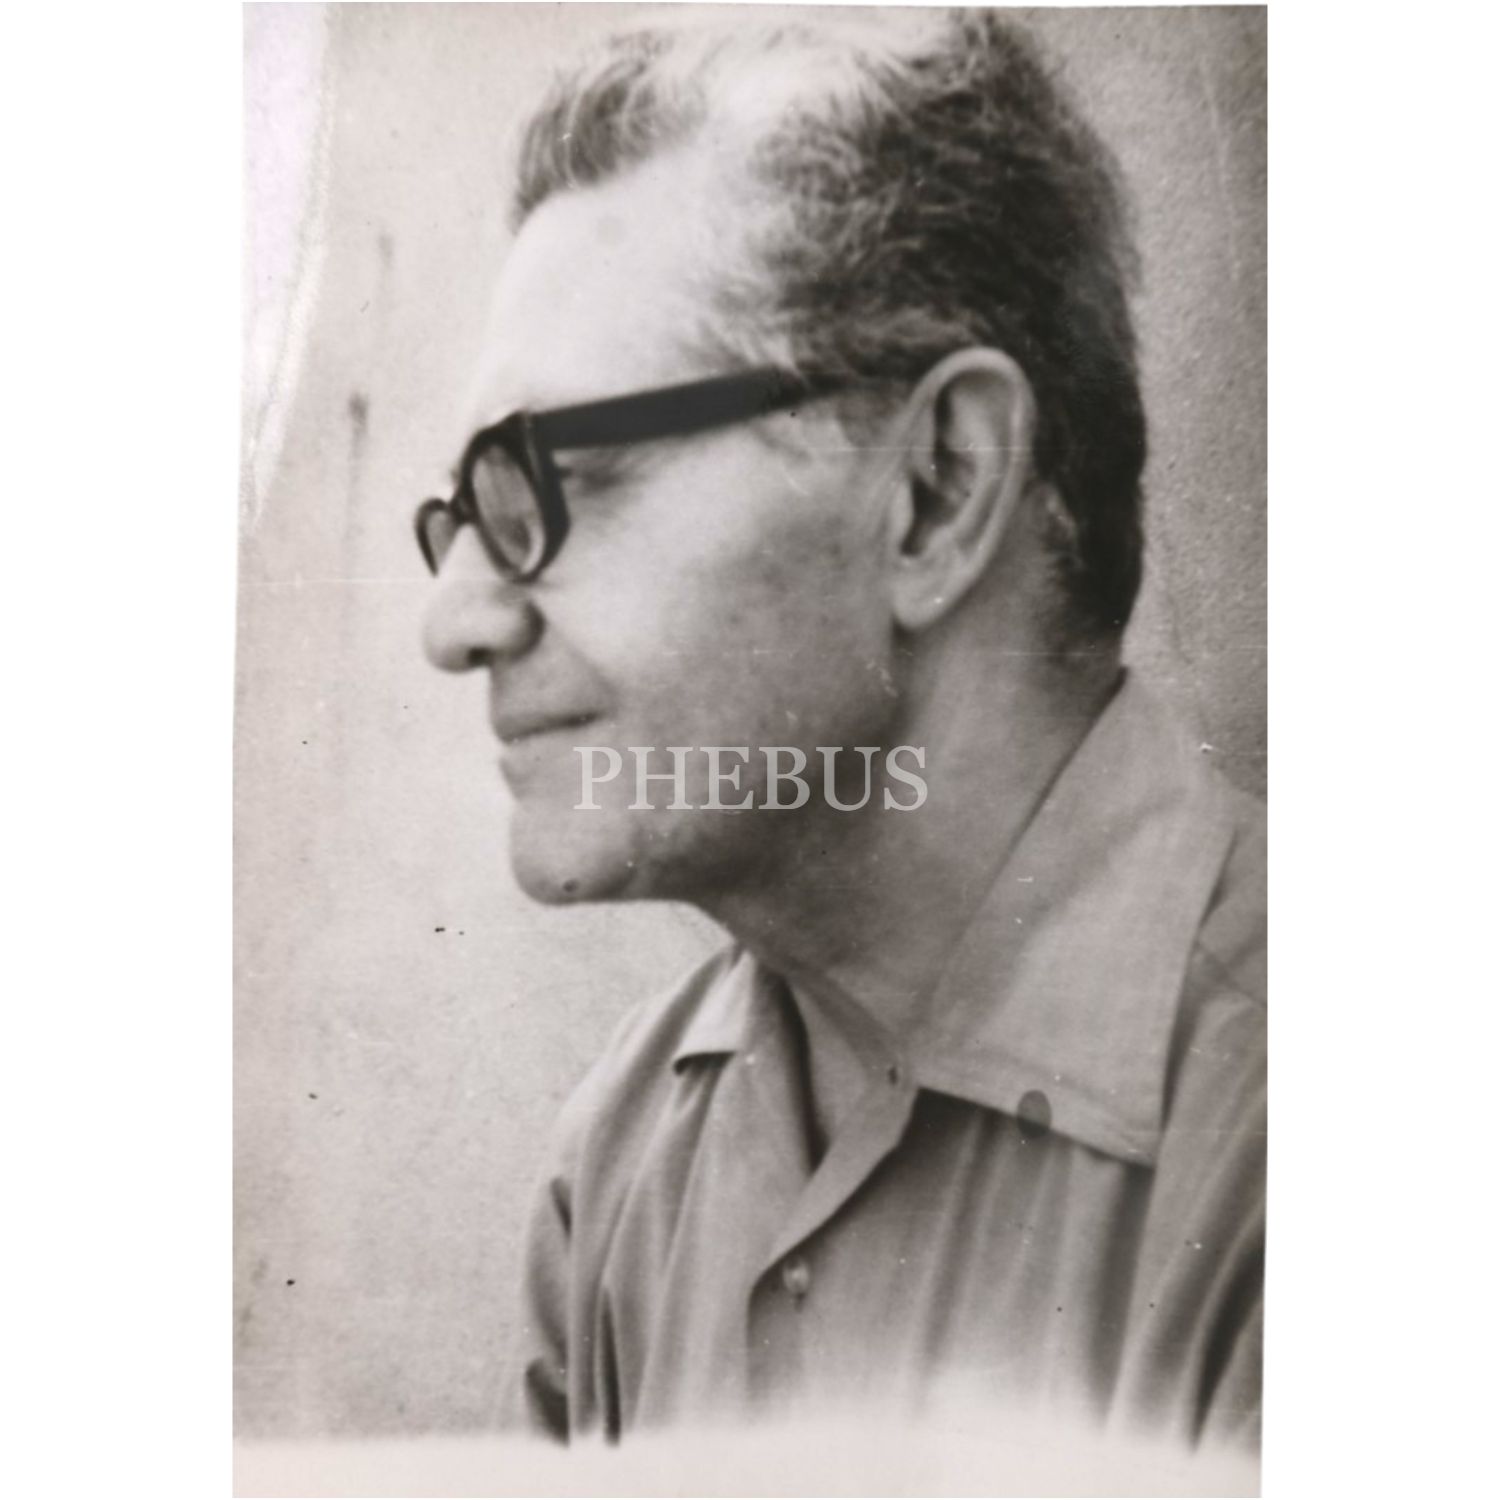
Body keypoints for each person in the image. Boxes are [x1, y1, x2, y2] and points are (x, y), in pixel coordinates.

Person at [417, 7, 1265, 1455]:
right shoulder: (621, 1164)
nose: (454, 623)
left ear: (935, 490)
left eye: (554, 481)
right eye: (461, 520)